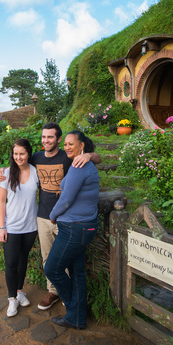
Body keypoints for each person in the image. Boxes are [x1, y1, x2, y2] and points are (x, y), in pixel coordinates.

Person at [0, 122, 101, 310]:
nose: (46, 140)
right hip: (44, 216)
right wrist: (2, 172)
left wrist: (88, 155)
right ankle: (53, 291)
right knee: (48, 257)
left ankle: (67, 293)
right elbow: (19, 163)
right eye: (44, 137)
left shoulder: (68, 156)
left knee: (66, 259)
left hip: (66, 216)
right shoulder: (36, 158)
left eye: (50, 137)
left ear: (58, 139)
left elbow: (98, 159)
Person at [45, 130, 100, 330]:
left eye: (71, 144)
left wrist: (52, 215)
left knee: (52, 269)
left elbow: (66, 199)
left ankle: (75, 308)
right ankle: (77, 317)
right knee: (77, 272)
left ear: (82, 145)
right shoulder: (85, 163)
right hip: (83, 226)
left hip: (74, 228)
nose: (67, 147)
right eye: (65, 144)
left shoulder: (79, 167)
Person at [0, 138, 40, 317]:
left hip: (30, 226)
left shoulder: (35, 171)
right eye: (15, 154)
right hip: (12, 227)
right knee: (11, 263)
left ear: (29, 153)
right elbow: (0, 202)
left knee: (23, 260)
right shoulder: (5, 173)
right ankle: (12, 298)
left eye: (22, 153)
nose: (18, 157)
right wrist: (2, 227)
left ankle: (20, 291)